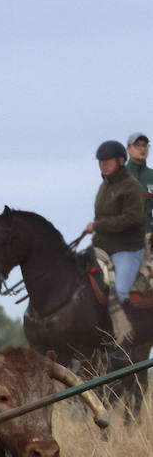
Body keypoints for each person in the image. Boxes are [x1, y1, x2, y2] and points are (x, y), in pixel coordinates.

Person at [83, 140, 146, 344]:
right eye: (100, 161)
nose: (103, 164)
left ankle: (124, 338)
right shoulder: (104, 186)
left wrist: (98, 225)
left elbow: (133, 218)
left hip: (127, 250)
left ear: (121, 160)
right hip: (101, 247)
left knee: (119, 290)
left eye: (107, 160)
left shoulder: (132, 187)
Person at [125, 132, 153, 233]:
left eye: (145, 145)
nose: (142, 149)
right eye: (137, 145)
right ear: (128, 149)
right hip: (123, 236)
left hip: (148, 234)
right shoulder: (119, 174)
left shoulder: (151, 176)